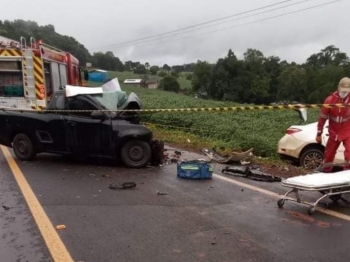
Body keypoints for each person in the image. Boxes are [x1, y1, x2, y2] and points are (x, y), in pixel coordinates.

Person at [316, 77, 350, 172]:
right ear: (338, 88)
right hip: (334, 132)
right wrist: (319, 133)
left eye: (346, 91)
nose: (344, 93)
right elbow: (322, 118)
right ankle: (326, 172)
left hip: (347, 131)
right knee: (329, 154)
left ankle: (347, 174)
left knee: (349, 153)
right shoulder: (330, 100)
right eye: (343, 90)